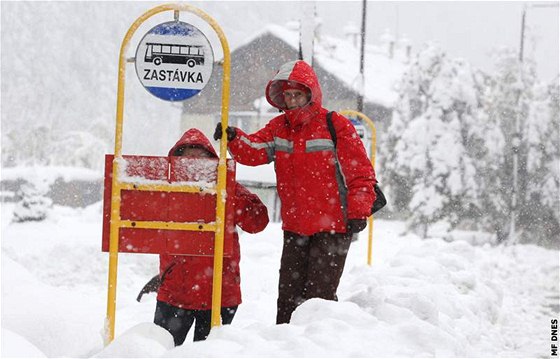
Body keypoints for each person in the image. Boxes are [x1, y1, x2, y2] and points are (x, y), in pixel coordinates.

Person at [214, 60, 377, 324]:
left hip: (332, 228)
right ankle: (284, 348)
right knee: (287, 298)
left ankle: (319, 346)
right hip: (295, 228)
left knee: (318, 299)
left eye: (297, 94)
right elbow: (254, 151)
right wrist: (233, 137)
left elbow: (361, 174)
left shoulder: (335, 124)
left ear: (311, 94)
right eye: (287, 95)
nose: (292, 101)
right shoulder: (279, 127)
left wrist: (359, 211)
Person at [153, 128, 269, 345]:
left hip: (216, 293)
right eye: (188, 156)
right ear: (176, 160)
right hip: (181, 292)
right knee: (163, 352)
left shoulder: (227, 188)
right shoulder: (166, 189)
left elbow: (257, 222)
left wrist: (231, 192)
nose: (194, 163)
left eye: (201, 156)